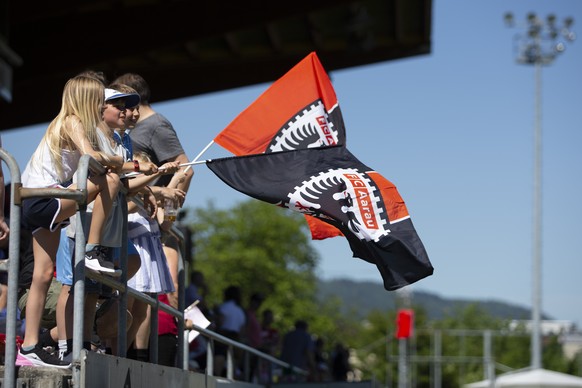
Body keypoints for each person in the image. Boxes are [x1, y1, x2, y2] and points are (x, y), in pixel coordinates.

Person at [17, 75, 123, 368]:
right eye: (100, 100)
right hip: (43, 198)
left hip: (35, 198)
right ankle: (92, 248)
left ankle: (28, 347)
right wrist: (117, 161)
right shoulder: (72, 121)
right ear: (87, 100)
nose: (103, 105)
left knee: (42, 275)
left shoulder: (63, 123)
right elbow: (91, 159)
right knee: (108, 180)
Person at [214, 285, 246, 376]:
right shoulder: (240, 311)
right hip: (235, 339)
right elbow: (242, 330)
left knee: (219, 360)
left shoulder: (224, 307)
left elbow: (220, 322)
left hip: (222, 338)